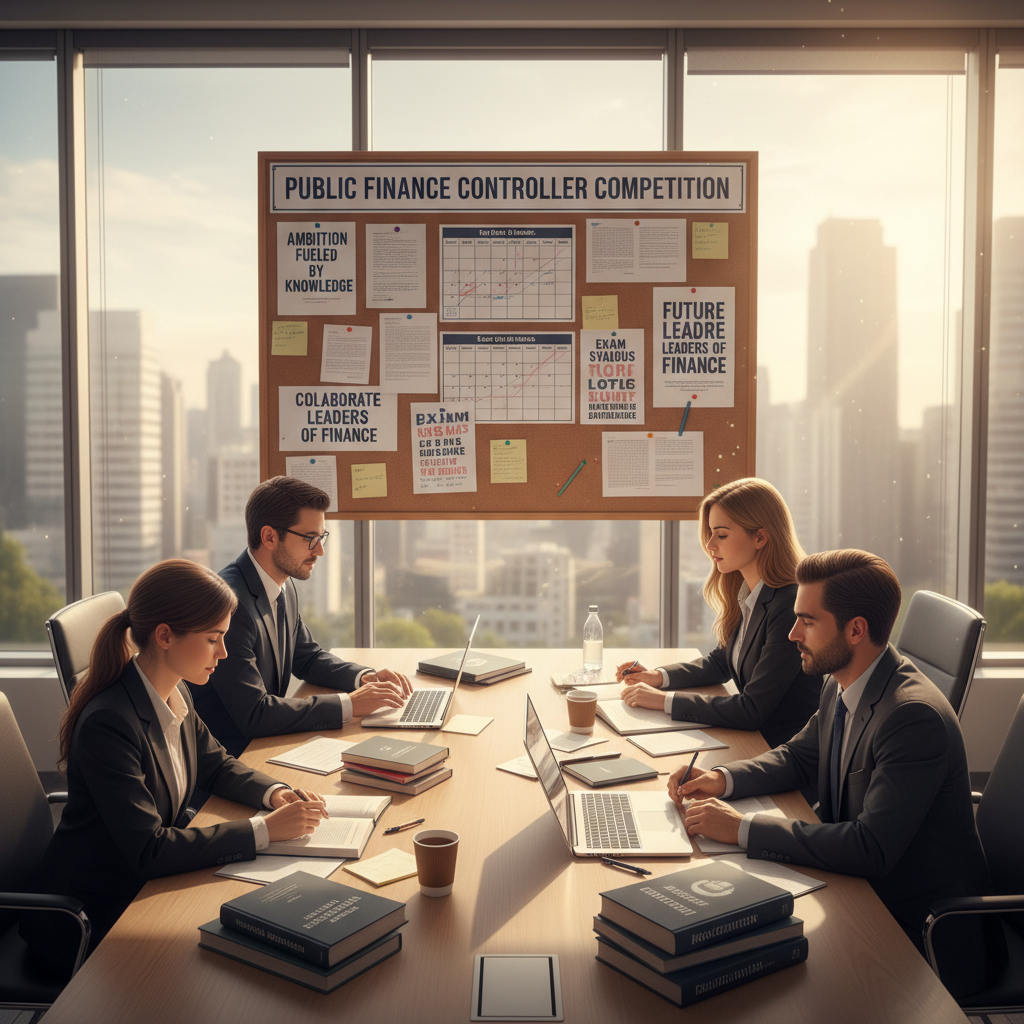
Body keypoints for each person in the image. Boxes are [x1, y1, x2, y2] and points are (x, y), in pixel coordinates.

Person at [671, 549, 1001, 997]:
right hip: (861, 894)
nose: (791, 634)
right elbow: (799, 757)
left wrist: (743, 828)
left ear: (856, 630)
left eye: (807, 621)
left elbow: (869, 848)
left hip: (926, 931)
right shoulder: (843, 679)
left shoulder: (912, 718)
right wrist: (722, 779)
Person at [20, 559, 328, 977]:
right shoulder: (109, 723)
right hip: (89, 917)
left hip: (144, 890)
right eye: (214, 638)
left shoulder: (173, 689)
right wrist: (266, 830)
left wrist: (275, 794)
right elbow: (149, 850)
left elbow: (215, 765)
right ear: (165, 636)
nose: (224, 652)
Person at [189, 476, 412, 757]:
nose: (320, 550)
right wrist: (350, 705)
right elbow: (254, 714)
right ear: (269, 537)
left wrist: (364, 678)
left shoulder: (282, 583)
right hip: (232, 757)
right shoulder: (230, 606)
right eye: (310, 539)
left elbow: (306, 657)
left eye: (321, 537)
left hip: (264, 744)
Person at [615, 477, 821, 750]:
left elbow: (752, 710)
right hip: (750, 741)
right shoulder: (749, 591)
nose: (710, 545)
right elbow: (721, 662)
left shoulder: (789, 606)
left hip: (778, 753)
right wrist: (658, 677)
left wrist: (664, 701)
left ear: (760, 538)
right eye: (711, 533)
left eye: (721, 535)